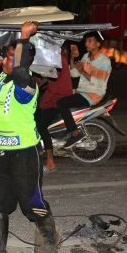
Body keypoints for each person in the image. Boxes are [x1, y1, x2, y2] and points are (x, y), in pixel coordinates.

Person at [0, 21, 60, 253]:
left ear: (24, 61)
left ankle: (48, 242)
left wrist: (24, 37)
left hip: (24, 153)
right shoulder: (3, 80)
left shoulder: (27, 85)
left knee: (31, 202)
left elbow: (21, 70)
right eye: (6, 57)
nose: (6, 61)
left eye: (11, 58)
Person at [55, 31, 112, 149]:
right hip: (82, 92)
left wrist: (82, 71)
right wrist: (72, 58)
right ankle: (63, 131)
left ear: (98, 44)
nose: (87, 43)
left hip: (93, 95)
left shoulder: (104, 61)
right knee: (57, 98)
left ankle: (75, 134)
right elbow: (74, 73)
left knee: (62, 103)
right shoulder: (86, 56)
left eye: (90, 41)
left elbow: (99, 82)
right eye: (86, 41)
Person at [35, 44, 74, 173]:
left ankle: (50, 162)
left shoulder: (59, 59)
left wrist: (44, 100)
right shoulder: (55, 57)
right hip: (55, 96)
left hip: (58, 98)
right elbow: (43, 75)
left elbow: (57, 84)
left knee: (41, 126)